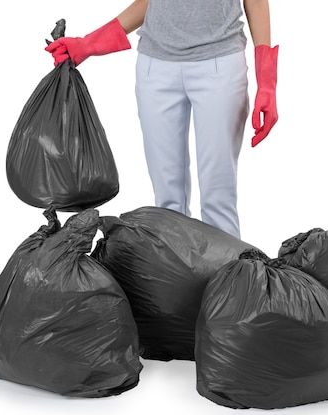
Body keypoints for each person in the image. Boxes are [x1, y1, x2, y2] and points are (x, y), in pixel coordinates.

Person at [45, 0, 278, 239]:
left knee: (218, 197)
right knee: (167, 205)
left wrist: (267, 81)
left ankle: (230, 273)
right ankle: (175, 273)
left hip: (219, 63)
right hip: (155, 68)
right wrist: (88, 44)